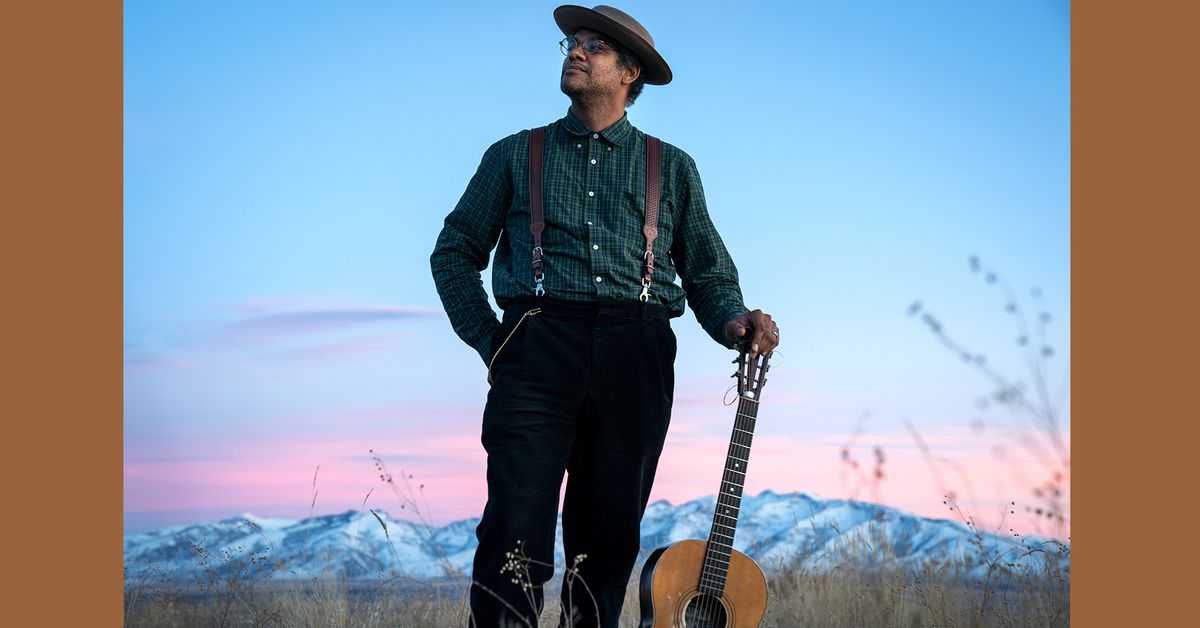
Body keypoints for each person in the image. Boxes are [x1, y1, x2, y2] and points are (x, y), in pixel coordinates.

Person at [430, 5, 780, 627]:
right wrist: (494, 342)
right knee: (514, 526)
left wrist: (734, 321)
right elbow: (454, 252)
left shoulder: (671, 166)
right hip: (536, 347)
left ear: (630, 72)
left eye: (594, 45)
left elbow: (707, 274)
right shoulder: (513, 155)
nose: (575, 51)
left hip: (636, 351)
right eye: (571, 41)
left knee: (609, 535)